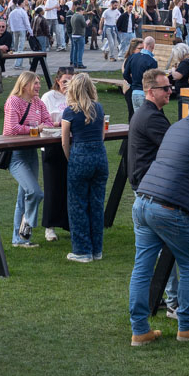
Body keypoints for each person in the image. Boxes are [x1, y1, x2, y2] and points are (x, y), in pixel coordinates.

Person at [128, 97, 189, 345]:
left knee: (142, 268)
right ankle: (187, 325)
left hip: (142, 200)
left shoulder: (175, 127)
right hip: (167, 208)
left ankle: (139, 330)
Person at [58, 73, 109, 263]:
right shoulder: (99, 108)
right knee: (97, 204)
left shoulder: (70, 111)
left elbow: (65, 142)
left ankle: (82, 251)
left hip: (80, 156)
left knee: (77, 205)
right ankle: (97, 249)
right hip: (100, 156)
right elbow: (102, 135)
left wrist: (71, 158)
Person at [1, 72, 52, 248]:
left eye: (38, 83)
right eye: (35, 83)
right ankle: (27, 225)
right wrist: (35, 129)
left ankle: (20, 240)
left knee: (24, 196)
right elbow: (11, 129)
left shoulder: (37, 102)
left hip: (31, 153)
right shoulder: (14, 101)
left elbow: (49, 122)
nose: (38, 86)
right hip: (16, 154)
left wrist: (38, 128)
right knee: (35, 192)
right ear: (24, 85)